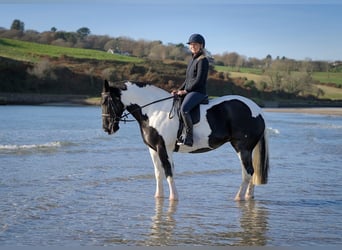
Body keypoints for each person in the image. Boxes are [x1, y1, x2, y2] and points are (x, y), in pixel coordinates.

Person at [171, 34, 209, 146]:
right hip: (191, 90)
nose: (192, 46)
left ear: (201, 46)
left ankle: (189, 137)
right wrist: (178, 90)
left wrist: (186, 91)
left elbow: (199, 80)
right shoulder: (192, 60)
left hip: (198, 92)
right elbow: (188, 80)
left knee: (184, 109)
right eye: (191, 45)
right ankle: (179, 134)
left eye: (195, 44)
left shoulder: (203, 60)